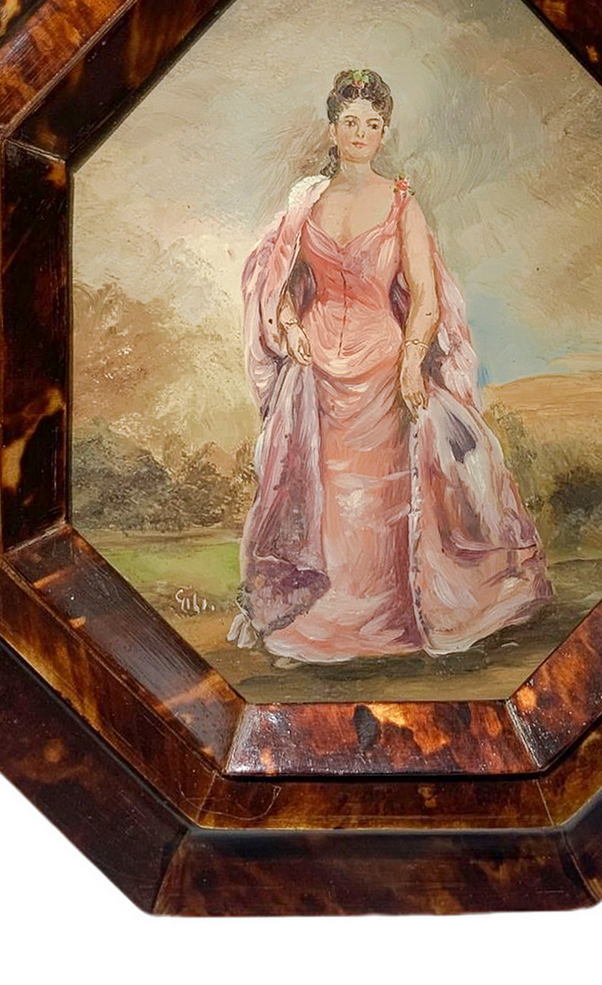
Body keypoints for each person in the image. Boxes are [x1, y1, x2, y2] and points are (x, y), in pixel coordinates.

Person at [229, 69, 552, 663]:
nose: (361, 133)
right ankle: (324, 611)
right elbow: (278, 280)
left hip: (383, 365)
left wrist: (411, 360)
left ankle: (393, 612)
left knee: (385, 496)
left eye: (372, 124)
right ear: (333, 130)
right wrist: (291, 326)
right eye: (350, 122)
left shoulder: (402, 203)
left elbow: (425, 296)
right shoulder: (305, 203)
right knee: (322, 490)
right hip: (315, 369)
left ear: (383, 133)